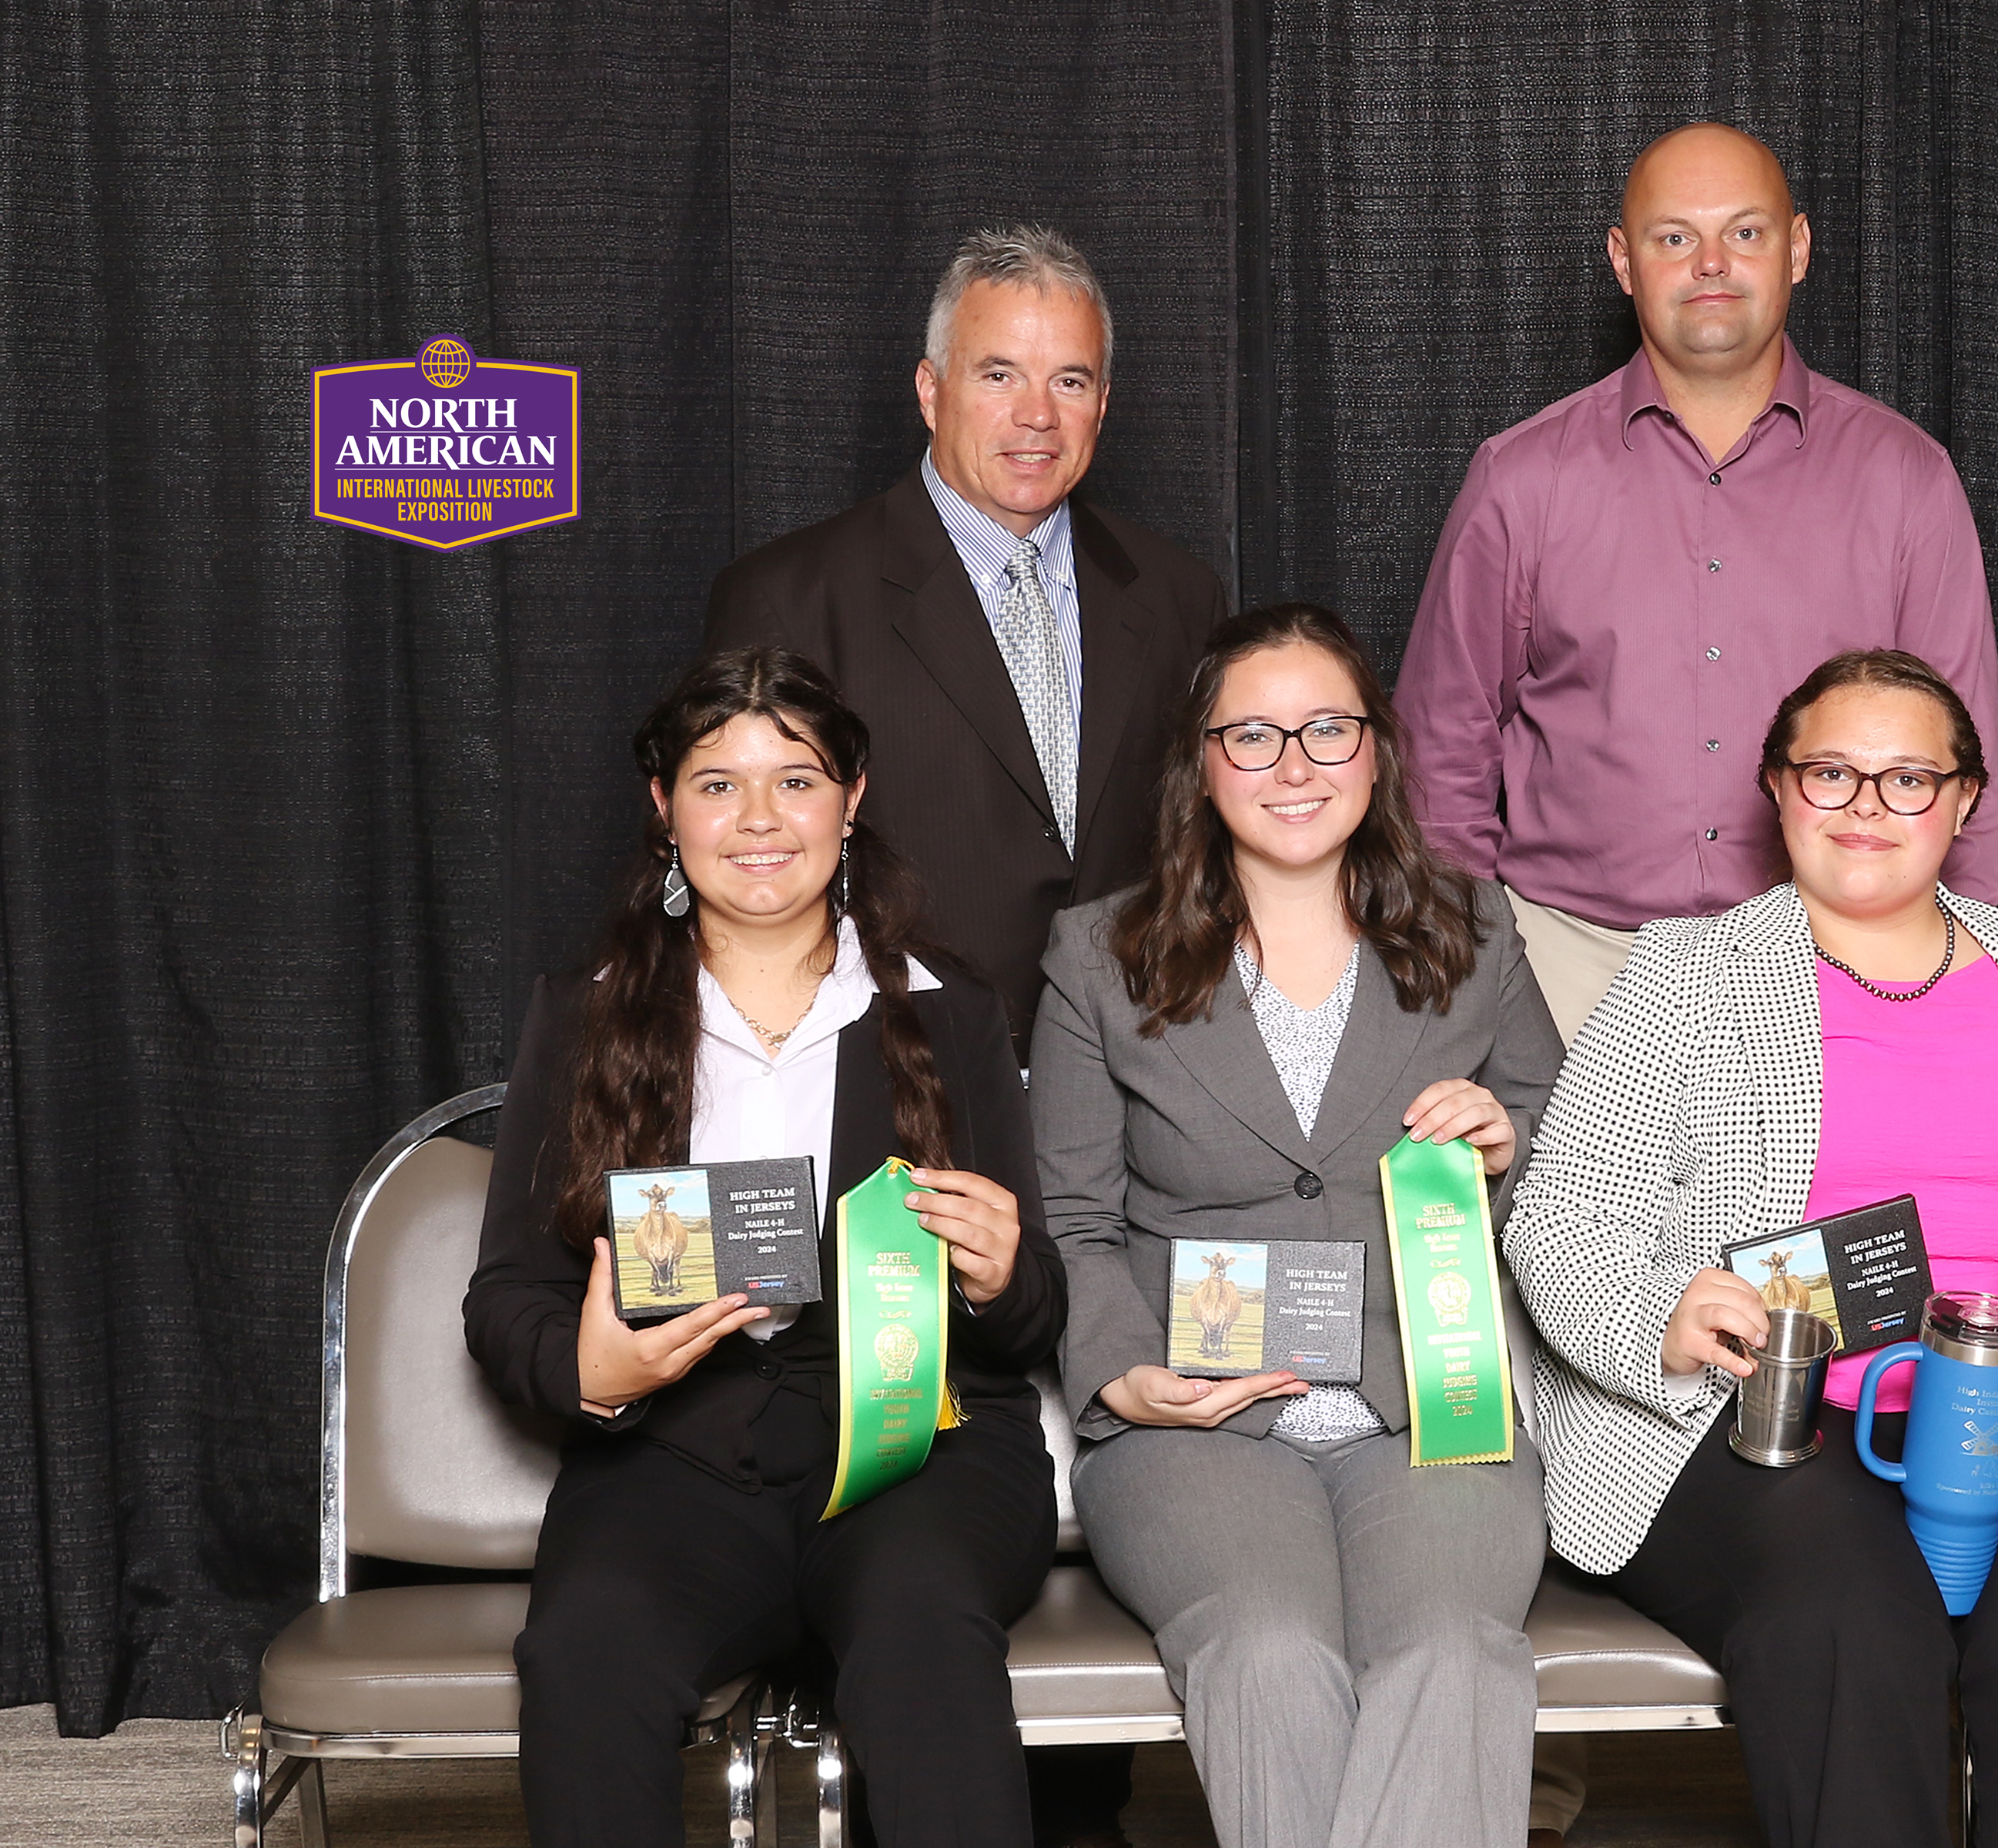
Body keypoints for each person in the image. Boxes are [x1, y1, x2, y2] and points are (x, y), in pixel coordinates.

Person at [1502, 649, 1998, 1848]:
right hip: (1753, 1410)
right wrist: (1662, 1317)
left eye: (1909, 780)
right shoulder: (1684, 978)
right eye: (1832, 774)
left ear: (1965, 802)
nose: (1866, 808)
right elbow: (1563, 1218)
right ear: (1777, 791)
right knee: (1852, 1624)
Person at [464, 648, 1066, 1848]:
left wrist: (1005, 1273)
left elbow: (1035, 1312)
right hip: (673, 1454)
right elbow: (509, 1298)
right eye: (716, 784)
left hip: (919, 1450)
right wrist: (592, 1375)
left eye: (794, 780)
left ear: (853, 798)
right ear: (663, 809)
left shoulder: (953, 1010)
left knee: (920, 1630)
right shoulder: (580, 1016)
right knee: (584, 1651)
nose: (758, 820)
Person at [1032, 604, 1565, 1848]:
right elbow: (1071, 1220)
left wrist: (1509, 1138)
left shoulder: (1476, 935)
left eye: (1328, 731)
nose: (1293, 767)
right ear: (1201, 766)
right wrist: (1126, 1377)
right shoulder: (1098, 959)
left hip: (1430, 1406)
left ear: (1376, 752)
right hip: (1197, 1420)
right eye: (1254, 736)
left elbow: (1555, 1141)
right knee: (1270, 1653)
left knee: (1452, 1652)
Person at [1398, 122, 1998, 1050]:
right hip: (1568, 966)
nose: (1712, 264)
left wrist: (1953, 988)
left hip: (1837, 968)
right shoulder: (1523, 478)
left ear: (1798, 248)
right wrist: (1472, 968)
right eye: (1675, 237)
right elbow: (1440, 749)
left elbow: (1968, 761)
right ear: (1624, 260)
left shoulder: (1906, 479)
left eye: (1747, 232)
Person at [705, 223, 1227, 1060]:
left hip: (1141, 1078)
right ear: (930, 389)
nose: (1037, 415)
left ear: (1104, 401)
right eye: (999, 375)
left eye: (1070, 379)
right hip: (898, 1078)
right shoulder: (788, 599)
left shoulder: (1178, 596)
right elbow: (735, 871)